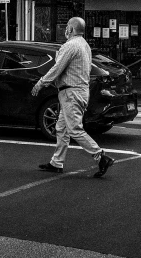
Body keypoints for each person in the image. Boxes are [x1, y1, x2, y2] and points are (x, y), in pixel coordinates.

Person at [31, 17, 115, 178]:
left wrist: (41, 83)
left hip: (71, 93)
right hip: (79, 92)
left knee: (74, 129)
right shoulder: (84, 45)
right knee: (61, 128)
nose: (65, 29)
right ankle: (56, 162)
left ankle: (100, 156)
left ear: (70, 29)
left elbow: (57, 68)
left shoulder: (70, 46)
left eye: (67, 27)